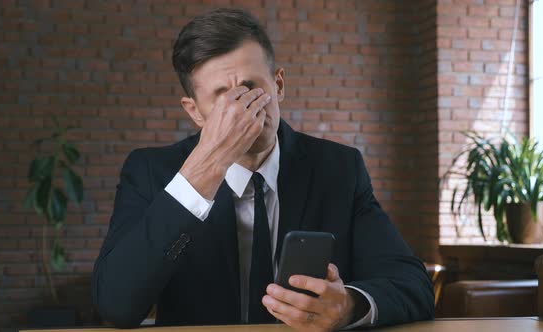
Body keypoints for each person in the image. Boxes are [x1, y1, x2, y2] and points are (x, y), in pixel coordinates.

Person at [92, 8, 434, 331]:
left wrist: (348, 307)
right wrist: (205, 168)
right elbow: (115, 305)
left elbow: (412, 286)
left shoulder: (339, 169)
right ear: (195, 112)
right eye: (222, 97)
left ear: (279, 85)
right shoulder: (151, 172)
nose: (243, 108)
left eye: (253, 88)